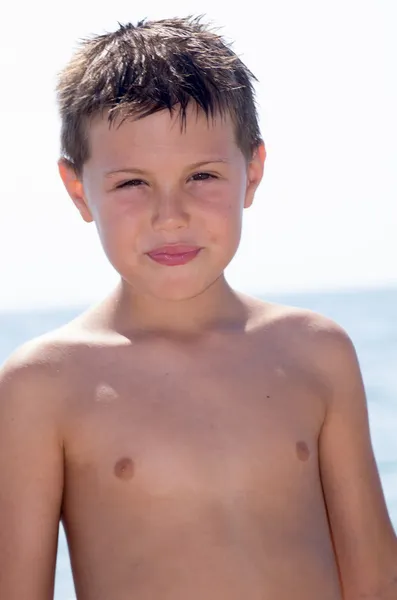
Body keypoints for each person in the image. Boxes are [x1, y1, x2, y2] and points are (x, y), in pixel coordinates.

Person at [0, 15, 396, 600]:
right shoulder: (43, 383)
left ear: (252, 172)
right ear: (78, 189)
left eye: (202, 175)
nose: (171, 215)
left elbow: (377, 577)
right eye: (133, 183)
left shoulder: (318, 352)